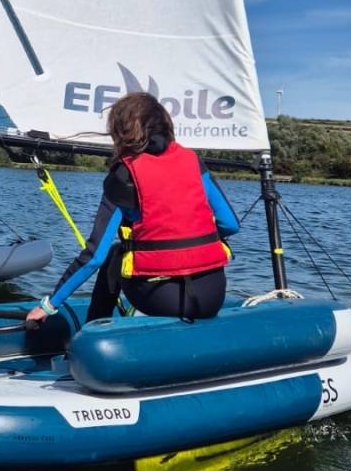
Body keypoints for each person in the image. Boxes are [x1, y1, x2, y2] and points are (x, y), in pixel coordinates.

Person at [27, 92, 240, 325]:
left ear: (121, 131)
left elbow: (94, 257)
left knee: (112, 256)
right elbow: (230, 224)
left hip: (164, 300)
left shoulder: (124, 175)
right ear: (165, 125)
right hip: (212, 295)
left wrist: (48, 306)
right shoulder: (192, 161)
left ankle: (94, 334)